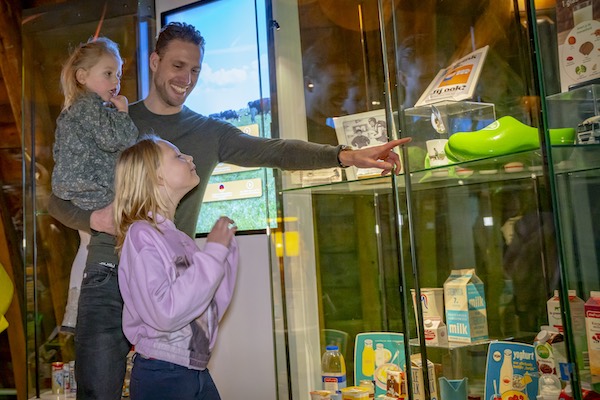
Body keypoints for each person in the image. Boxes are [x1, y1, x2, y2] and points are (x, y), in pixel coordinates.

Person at [47, 22, 410, 399]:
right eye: (177, 66)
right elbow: (57, 196)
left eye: (195, 70)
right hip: (108, 275)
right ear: (154, 62)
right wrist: (94, 219)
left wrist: (344, 155)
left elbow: (276, 150)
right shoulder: (114, 121)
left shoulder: (209, 133)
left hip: (170, 285)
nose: (186, 78)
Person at [114, 136, 238, 399]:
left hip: (195, 369)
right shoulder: (141, 235)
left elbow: (206, 309)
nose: (191, 159)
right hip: (163, 372)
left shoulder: (180, 239)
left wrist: (224, 255)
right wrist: (213, 255)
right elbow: (165, 313)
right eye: (179, 156)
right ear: (156, 177)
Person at [51, 37, 138, 334]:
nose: (116, 81)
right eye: (108, 73)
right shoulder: (91, 108)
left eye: (118, 74)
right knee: (116, 245)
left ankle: (73, 314)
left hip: (79, 189)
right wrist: (124, 113)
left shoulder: (77, 109)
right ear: (83, 76)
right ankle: (105, 311)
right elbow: (122, 140)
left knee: (87, 248)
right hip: (93, 190)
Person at [302, 37, 352, 145]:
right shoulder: (296, 135)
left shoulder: (333, 135)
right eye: (337, 85)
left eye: (348, 85)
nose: (346, 94)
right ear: (309, 85)